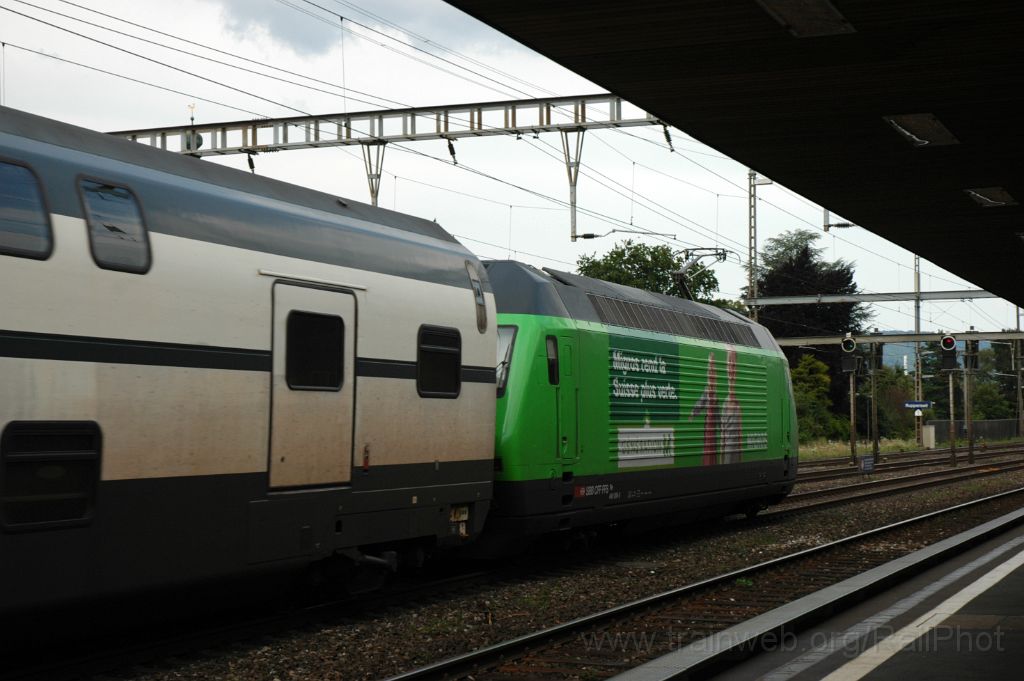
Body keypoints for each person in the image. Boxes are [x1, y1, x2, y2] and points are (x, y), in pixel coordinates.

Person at [690, 352, 720, 465]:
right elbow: (700, 404)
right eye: (710, 371)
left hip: (713, 426)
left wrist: (721, 425)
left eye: (713, 371)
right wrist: (693, 413)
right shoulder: (707, 392)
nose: (712, 374)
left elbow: (717, 412)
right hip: (708, 424)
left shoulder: (715, 393)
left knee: (713, 447)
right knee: (708, 446)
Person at [720, 348, 743, 464]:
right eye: (729, 362)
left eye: (734, 363)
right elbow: (722, 437)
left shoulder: (738, 405)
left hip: (735, 453)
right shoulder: (724, 404)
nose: (732, 367)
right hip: (727, 455)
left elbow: (740, 436)